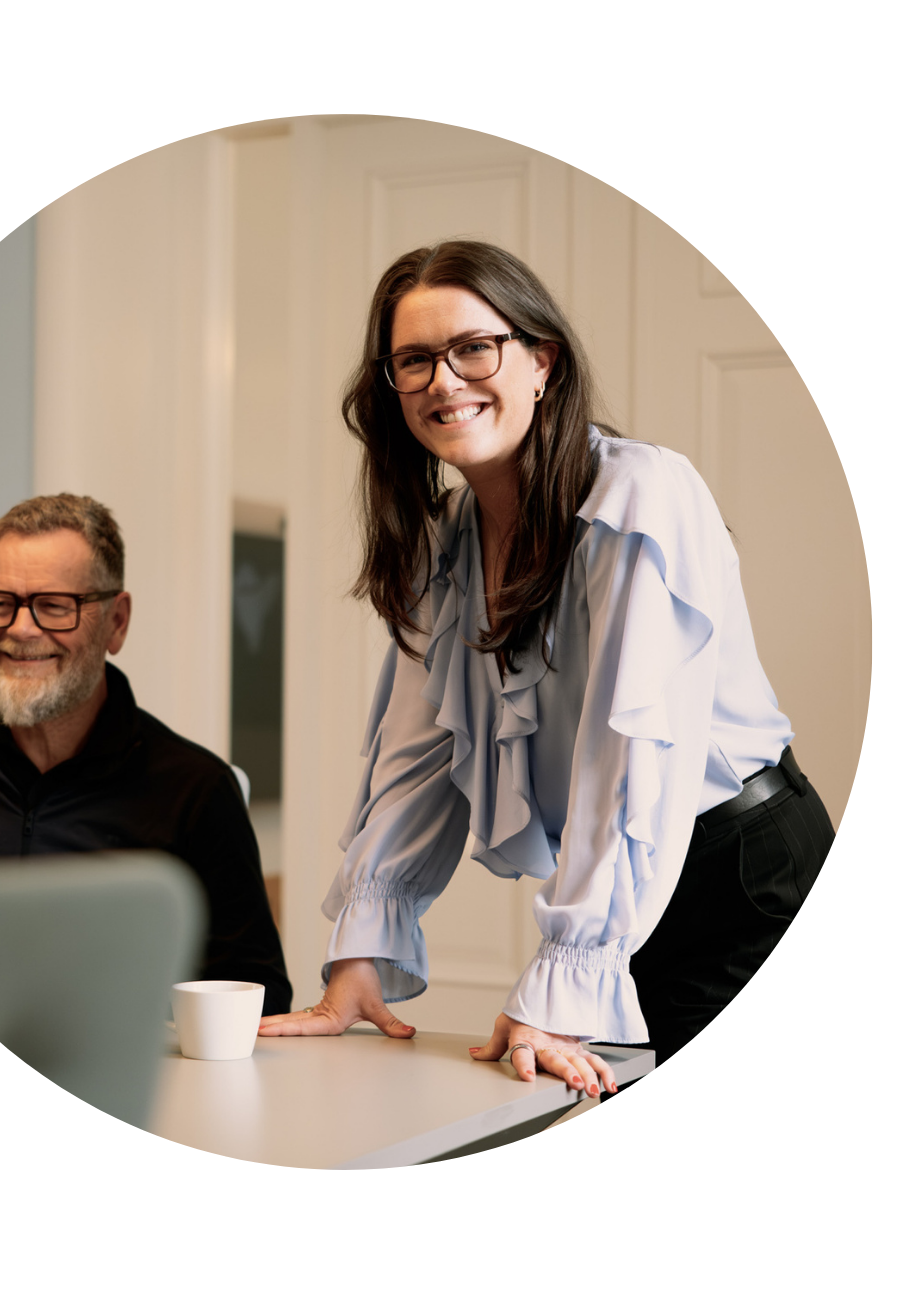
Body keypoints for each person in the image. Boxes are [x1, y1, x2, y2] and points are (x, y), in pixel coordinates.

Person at [257, 241, 834, 1095]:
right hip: (634, 892)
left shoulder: (640, 497)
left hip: (744, 880)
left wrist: (566, 981)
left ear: (542, 363)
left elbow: (626, 760)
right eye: (414, 360)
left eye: (474, 348)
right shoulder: (446, 539)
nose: (444, 381)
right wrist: (362, 956)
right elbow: (418, 755)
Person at [0, 493, 292, 1016]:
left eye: (53, 606)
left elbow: (256, 996)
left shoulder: (196, 790)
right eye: (0, 602)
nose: (19, 629)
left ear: (117, 622)